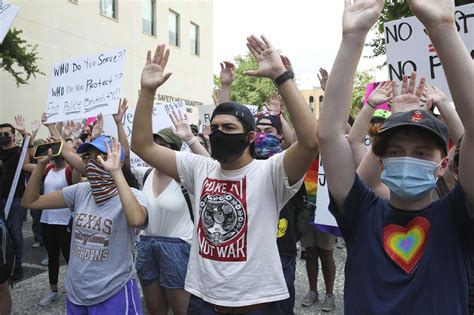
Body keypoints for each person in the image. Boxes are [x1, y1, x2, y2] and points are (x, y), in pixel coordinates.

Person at [132, 37, 318, 313]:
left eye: (229, 128)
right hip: (204, 302)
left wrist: (281, 76)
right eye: (215, 128)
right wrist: (147, 92)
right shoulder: (199, 168)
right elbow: (143, 145)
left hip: (258, 305)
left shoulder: (271, 172)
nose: (219, 133)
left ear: (250, 137)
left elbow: (310, 142)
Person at [318, 0, 474, 313]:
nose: (406, 158)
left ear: (444, 163)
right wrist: (353, 37)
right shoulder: (361, 212)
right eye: (395, 151)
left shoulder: (459, 215)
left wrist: (443, 27)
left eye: (420, 152)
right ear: (380, 158)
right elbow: (330, 136)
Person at [21, 136, 148, 314]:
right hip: (77, 292)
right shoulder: (81, 191)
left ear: (115, 159)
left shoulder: (132, 195)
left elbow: (136, 220)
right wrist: (41, 166)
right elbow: (30, 202)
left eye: (99, 156)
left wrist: (117, 173)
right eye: (88, 157)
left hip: (113, 292)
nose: (91, 162)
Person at [134, 123, 208, 315]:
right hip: (146, 244)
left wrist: (190, 139)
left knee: (181, 310)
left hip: (177, 247)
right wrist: (119, 124)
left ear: (173, 151)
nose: (155, 148)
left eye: (162, 144)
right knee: (154, 308)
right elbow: (125, 157)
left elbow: (211, 167)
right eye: (154, 142)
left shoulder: (187, 177)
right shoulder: (146, 173)